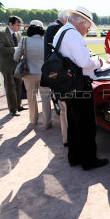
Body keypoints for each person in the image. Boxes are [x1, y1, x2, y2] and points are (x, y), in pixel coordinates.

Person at [52, 6, 108, 171]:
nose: (88, 29)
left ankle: (74, 157)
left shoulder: (61, 32)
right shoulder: (73, 35)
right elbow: (85, 62)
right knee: (86, 125)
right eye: (87, 26)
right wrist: (99, 62)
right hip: (79, 85)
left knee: (74, 123)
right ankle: (88, 161)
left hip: (68, 85)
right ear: (81, 22)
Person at [43, 9, 70, 145]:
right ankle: (67, 138)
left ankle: (66, 138)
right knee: (66, 108)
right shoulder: (59, 28)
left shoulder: (51, 27)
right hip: (60, 72)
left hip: (53, 71)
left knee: (63, 107)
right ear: (65, 18)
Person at [14, 20, 45, 125]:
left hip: (29, 73)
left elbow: (16, 57)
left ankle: (33, 120)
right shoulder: (45, 42)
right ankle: (47, 122)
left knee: (31, 97)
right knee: (46, 98)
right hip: (44, 74)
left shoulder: (24, 41)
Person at [0, 15, 28, 116]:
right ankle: (13, 109)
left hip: (17, 65)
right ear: (10, 24)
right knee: (10, 87)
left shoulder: (18, 35)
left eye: (20, 25)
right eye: (18, 25)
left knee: (19, 86)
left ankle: (18, 106)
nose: (19, 27)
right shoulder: (0, 33)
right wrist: (15, 49)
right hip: (6, 65)